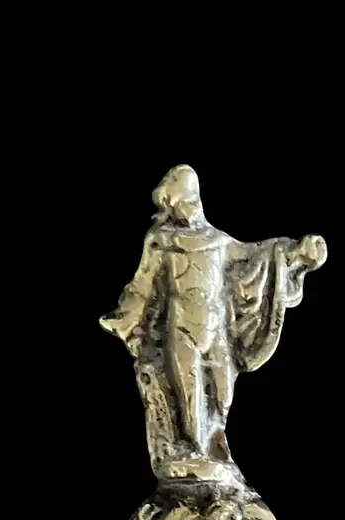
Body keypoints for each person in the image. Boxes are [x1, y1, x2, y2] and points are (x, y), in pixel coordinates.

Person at [100, 165, 326, 481]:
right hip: (180, 331)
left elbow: (257, 254)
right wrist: (126, 317)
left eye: (180, 203)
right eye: (172, 206)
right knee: (190, 395)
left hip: (216, 332)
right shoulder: (161, 241)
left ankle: (214, 450)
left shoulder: (217, 241)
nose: (177, 211)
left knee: (220, 395)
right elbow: (143, 285)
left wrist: (296, 252)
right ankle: (193, 453)